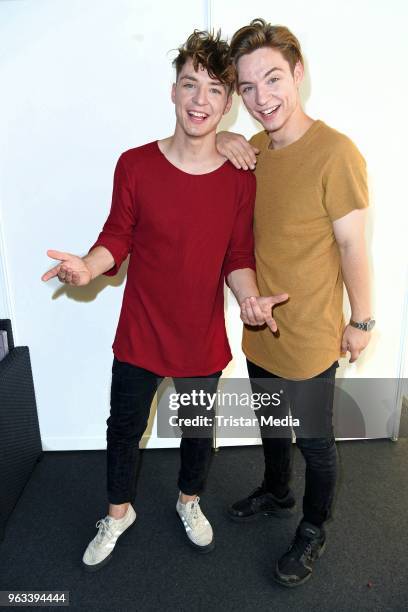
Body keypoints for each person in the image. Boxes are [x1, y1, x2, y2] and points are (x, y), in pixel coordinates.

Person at [41, 29, 287, 571]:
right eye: (190, 85)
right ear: (173, 91)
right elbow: (117, 238)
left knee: (198, 434)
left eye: (215, 89)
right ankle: (118, 511)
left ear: (227, 104)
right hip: (140, 331)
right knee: (124, 428)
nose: (201, 100)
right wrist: (88, 264)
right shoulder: (134, 164)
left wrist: (249, 300)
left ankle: (189, 502)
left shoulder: (239, 177)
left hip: (200, 335)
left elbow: (238, 256)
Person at [216, 18, 374, 587]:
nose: (263, 98)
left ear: (298, 73)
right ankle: (278, 491)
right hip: (260, 325)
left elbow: (353, 244)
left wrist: (362, 320)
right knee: (270, 423)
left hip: (309, 334)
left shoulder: (336, 152)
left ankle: (312, 527)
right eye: (248, 87)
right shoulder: (254, 150)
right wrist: (223, 139)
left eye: (274, 79)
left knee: (314, 440)